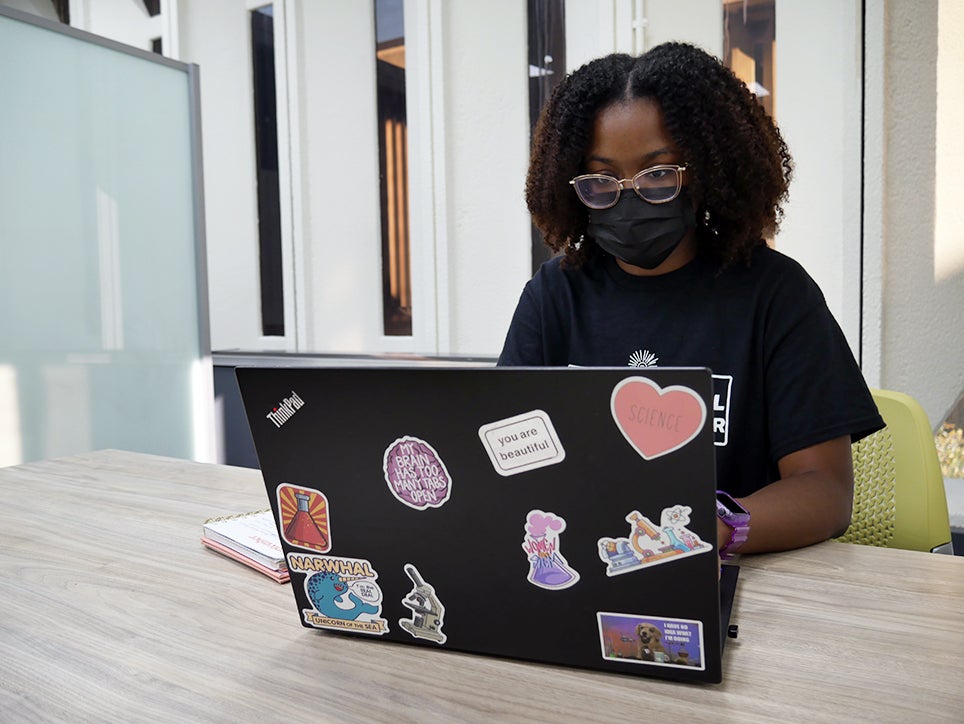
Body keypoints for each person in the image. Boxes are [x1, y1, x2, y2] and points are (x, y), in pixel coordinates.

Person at [498, 43, 884, 557]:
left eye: (658, 174)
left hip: (735, 582)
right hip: (583, 574)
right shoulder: (553, 297)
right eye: (602, 181)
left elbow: (825, 491)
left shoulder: (776, 296)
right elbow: (501, 454)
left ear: (707, 172)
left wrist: (710, 532)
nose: (629, 198)